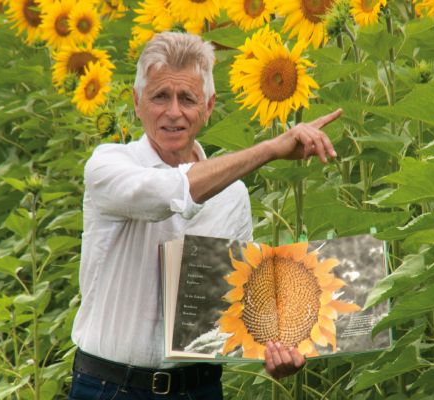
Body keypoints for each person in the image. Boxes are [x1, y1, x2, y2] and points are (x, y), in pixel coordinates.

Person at [69, 31, 342, 399]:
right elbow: (168, 193)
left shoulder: (232, 195)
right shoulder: (110, 165)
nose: (174, 112)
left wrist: (277, 350)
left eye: (188, 98)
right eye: (160, 96)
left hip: (198, 388)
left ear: (209, 106)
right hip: (109, 386)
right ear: (136, 102)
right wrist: (270, 149)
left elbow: (232, 306)